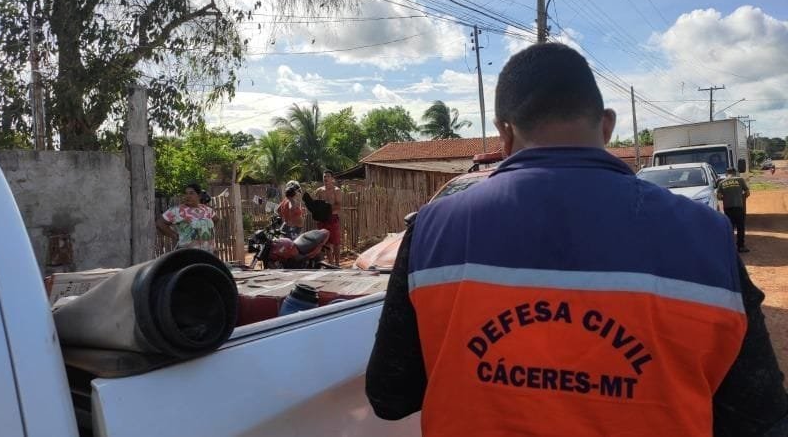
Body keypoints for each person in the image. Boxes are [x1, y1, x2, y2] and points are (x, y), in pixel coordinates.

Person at [366, 43, 787, 437]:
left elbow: (390, 396)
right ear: (607, 126)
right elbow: (759, 418)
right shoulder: (705, 235)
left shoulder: (432, 231)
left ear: (504, 133)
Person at [156, 183, 219, 253]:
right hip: (187, 253)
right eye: (186, 193)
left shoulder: (207, 210)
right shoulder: (177, 210)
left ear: (199, 196)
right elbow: (160, 223)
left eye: (191, 193)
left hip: (208, 252)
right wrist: (175, 236)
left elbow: (216, 219)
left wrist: (208, 229)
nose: (188, 196)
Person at [717, 167, 751, 253]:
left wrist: (726, 198)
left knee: (730, 227)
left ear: (726, 174)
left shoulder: (721, 182)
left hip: (727, 208)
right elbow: (747, 193)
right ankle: (741, 246)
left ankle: (730, 247)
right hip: (739, 207)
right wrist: (741, 197)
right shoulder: (740, 180)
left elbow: (719, 197)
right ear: (735, 173)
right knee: (740, 227)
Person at [314, 170, 342, 266]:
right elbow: (316, 205)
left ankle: (337, 264)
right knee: (326, 242)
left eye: (328, 176)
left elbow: (338, 206)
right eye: (324, 176)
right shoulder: (319, 191)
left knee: (336, 242)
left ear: (332, 178)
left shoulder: (336, 190)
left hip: (332, 218)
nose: (325, 178)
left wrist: (327, 208)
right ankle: (331, 263)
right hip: (322, 220)